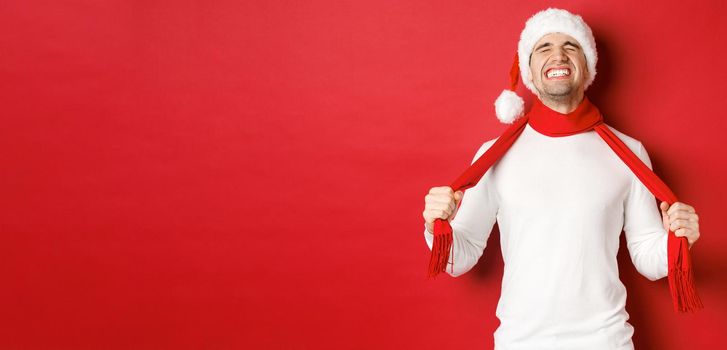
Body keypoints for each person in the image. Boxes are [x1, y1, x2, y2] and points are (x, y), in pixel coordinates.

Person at [421, 8, 701, 350]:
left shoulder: (629, 152)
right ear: (529, 70)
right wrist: (436, 224)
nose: (558, 55)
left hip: (607, 341)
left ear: (587, 66)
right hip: (520, 343)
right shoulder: (493, 156)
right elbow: (458, 259)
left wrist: (678, 236)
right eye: (544, 47)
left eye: (571, 45)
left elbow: (648, 257)